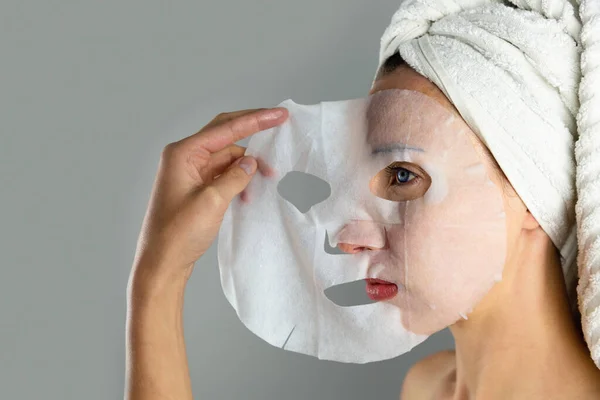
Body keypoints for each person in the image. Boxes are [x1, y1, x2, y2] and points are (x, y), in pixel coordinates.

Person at [126, 1, 600, 399]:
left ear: (526, 188)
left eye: (402, 176)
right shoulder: (428, 387)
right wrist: (161, 274)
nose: (348, 238)